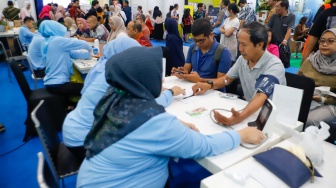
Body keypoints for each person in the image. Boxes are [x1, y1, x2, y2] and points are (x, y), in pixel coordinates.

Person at [76, 46, 264, 187]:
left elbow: (148, 115)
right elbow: (204, 146)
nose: (162, 78)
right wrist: (242, 135)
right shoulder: (154, 123)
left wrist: (171, 123)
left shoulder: (116, 97)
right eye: (157, 73)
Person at [63, 36, 186, 160]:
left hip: (74, 132)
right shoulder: (117, 76)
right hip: (83, 142)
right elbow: (145, 107)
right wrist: (170, 92)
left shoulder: (104, 67)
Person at [191, 22, 286, 126]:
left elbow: (261, 95)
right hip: (251, 112)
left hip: (272, 118)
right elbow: (227, 79)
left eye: (244, 44)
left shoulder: (274, 65)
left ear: (259, 45)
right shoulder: (242, 60)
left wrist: (240, 117)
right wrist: (209, 84)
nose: (240, 49)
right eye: (239, 43)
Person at [39, 21, 92, 101]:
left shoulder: (48, 42)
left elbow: (72, 54)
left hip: (52, 83)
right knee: (90, 88)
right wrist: (91, 49)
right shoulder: (58, 41)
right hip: (59, 84)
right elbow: (82, 44)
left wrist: (89, 55)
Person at [171, 19, 231, 84]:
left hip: (213, 92)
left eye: (201, 41)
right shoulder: (193, 48)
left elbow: (222, 82)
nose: (197, 43)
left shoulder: (223, 52)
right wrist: (182, 72)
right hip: (194, 87)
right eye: (194, 40)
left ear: (211, 35)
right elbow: (187, 69)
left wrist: (200, 80)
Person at [298, 28, 336, 129]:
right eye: (322, 41)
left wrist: (324, 99)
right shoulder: (311, 60)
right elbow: (297, 80)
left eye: (330, 41)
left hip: (330, 104)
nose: (324, 44)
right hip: (305, 99)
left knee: (310, 120)